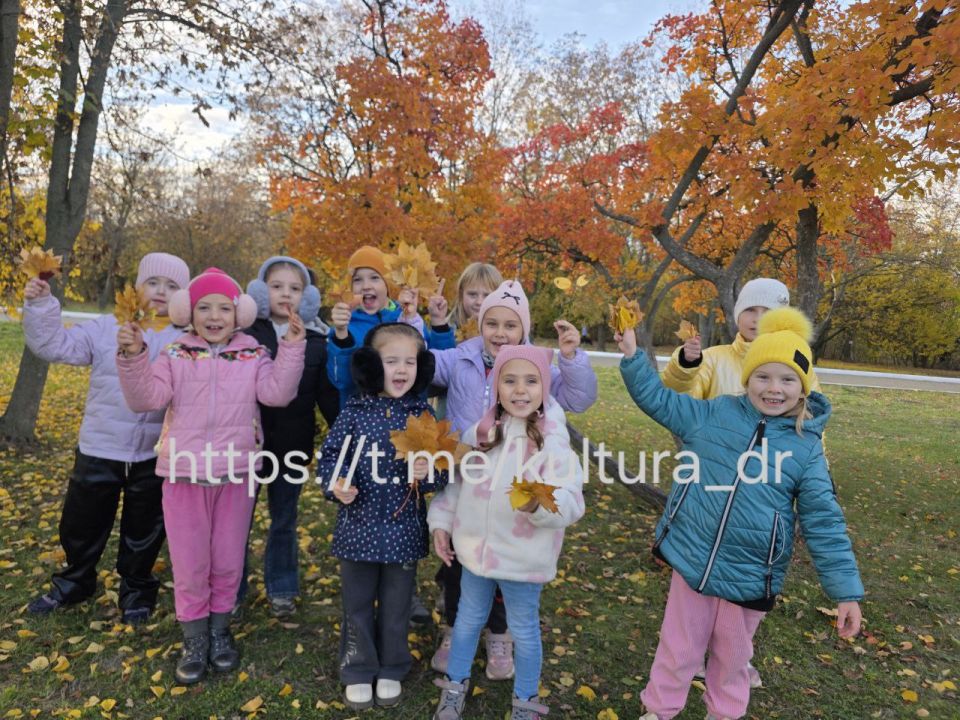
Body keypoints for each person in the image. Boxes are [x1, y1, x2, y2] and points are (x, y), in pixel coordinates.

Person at [617, 307, 863, 720]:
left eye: (787, 379)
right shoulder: (716, 413)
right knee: (677, 650)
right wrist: (632, 359)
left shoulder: (805, 449)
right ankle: (658, 712)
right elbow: (660, 401)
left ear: (802, 389)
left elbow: (825, 522)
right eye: (763, 376)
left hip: (750, 577)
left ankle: (724, 714)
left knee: (731, 663)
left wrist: (845, 592)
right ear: (747, 378)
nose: (774, 388)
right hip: (692, 560)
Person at [116, 267, 305, 685]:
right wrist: (132, 357)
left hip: (237, 475)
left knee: (226, 559)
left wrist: (291, 347)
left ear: (239, 314)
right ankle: (195, 637)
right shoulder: (175, 354)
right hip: (183, 476)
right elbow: (146, 398)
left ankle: (220, 632)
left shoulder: (254, 353)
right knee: (190, 563)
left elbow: (278, 393)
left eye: (224, 307)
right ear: (189, 312)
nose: (214, 315)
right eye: (204, 307)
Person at [22, 252, 190, 624]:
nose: (161, 292)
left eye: (173, 286)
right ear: (137, 285)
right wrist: (39, 304)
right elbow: (53, 346)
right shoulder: (103, 329)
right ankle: (75, 582)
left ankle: (136, 590)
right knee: (82, 522)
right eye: (153, 282)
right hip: (100, 446)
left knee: (143, 529)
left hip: (154, 454)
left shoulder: (184, 341)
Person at [430, 345, 584, 720]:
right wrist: (441, 523)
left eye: (531, 381)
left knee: (524, 630)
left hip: (522, 557)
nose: (520, 390)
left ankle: (526, 702)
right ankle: (454, 686)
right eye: (509, 380)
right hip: (475, 552)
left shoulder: (553, 444)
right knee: (467, 619)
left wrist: (539, 506)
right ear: (496, 385)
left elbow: (572, 500)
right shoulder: (479, 433)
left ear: (544, 386)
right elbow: (456, 485)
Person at [318, 322, 448, 710]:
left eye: (410, 361)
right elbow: (330, 458)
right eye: (392, 361)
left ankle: (392, 665)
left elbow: (442, 468)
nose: (402, 369)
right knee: (357, 603)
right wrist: (336, 484)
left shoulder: (423, 414)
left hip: (403, 532)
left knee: (396, 606)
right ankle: (358, 668)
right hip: (357, 528)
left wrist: (431, 473)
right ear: (372, 365)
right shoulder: (355, 413)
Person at [235, 256, 340, 616]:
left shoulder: (317, 340)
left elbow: (326, 395)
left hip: (292, 445)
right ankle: (232, 588)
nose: (286, 294)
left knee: (284, 518)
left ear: (306, 296)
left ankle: (281, 587)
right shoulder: (247, 334)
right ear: (262, 291)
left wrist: (343, 429)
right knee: (238, 520)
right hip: (246, 444)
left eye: (294, 288)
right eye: (277, 286)